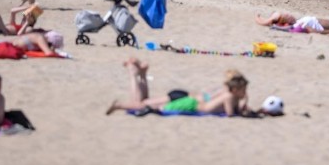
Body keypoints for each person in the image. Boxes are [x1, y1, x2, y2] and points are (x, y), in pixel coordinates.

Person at [105, 58, 254, 116]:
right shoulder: (229, 95)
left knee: (144, 101)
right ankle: (133, 73)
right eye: (244, 90)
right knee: (141, 103)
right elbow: (230, 113)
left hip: (186, 97)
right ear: (235, 89)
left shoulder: (225, 91)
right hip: (185, 99)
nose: (245, 92)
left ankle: (141, 75)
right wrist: (244, 103)